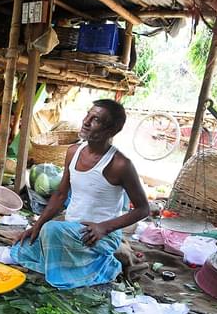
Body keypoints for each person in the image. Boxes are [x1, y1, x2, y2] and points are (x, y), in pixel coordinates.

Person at [10, 99, 149, 289]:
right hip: (70, 229)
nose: (86, 121)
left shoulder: (120, 164)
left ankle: (105, 266)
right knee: (23, 246)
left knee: (51, 231)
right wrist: (36, 227)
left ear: (111, 130)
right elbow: (60, 194)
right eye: (88, 115)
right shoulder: (73, 152)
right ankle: (77, 262)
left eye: (96, 120)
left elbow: (143, 209)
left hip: (100, 235)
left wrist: (103, 228)